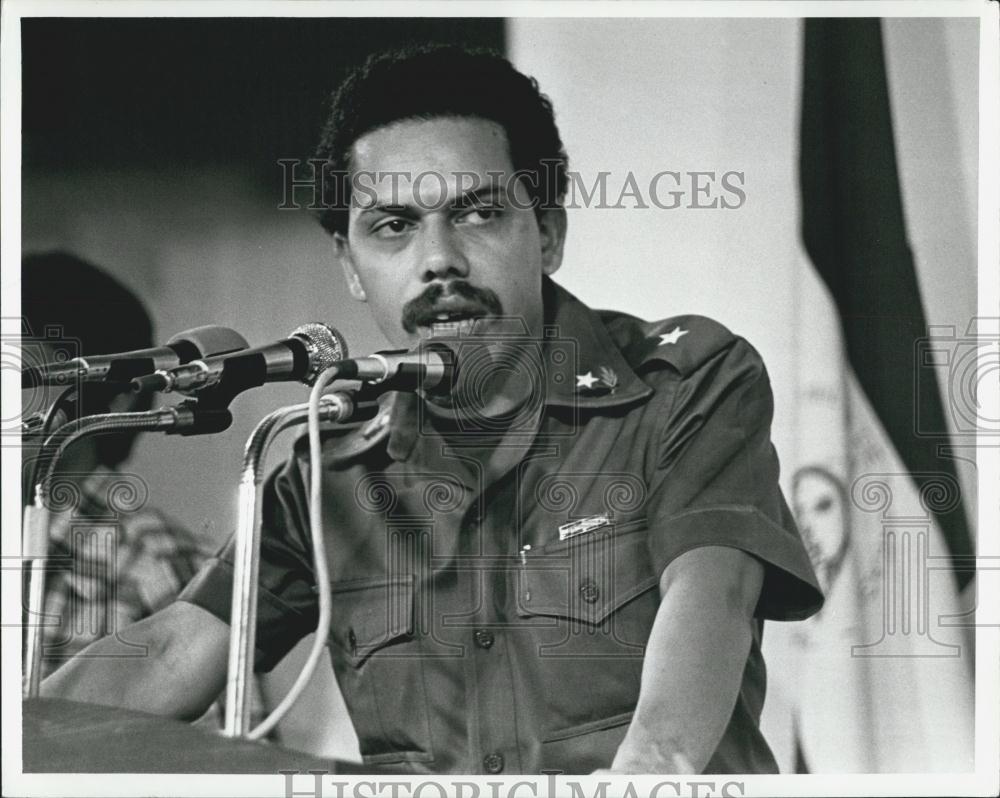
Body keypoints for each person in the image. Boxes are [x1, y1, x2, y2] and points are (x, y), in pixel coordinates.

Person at [41, 46, 824, 774]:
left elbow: (713, 595)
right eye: (393, 227)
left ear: (545, 232)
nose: (438, 260)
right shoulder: (324, 463)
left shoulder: (685, 382)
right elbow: (179, 646)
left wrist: (649, 774)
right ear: (351, 265)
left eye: (478, 214)